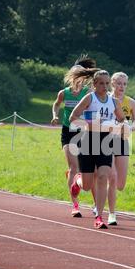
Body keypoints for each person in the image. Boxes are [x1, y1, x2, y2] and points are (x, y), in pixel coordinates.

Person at [69, 70, 126, 229]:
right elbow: (72, 118)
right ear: (94, 84)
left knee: (103, 176)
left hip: (106, 143)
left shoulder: (114, 102)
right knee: (87, 186)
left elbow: (122, 119)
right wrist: (88, 124)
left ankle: (100, 217)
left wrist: (122, 127)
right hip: (88, 141)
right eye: (101, 83)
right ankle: (77, 180)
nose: (105, 86)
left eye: (107, 83)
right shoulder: (89, 98)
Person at [51, 55, 97, 218]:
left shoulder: (88, 93)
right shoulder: (64, 93)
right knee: (74, 168)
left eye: (82, 77)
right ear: (71, 77)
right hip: (68, 132)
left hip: (85, 133)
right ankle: (75, 205)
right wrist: (55, 115)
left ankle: (96, 205)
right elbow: (56, 105)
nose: (79, 80)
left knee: (91, 170)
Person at [105, 72, 135, 226]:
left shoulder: (131, 103)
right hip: (104, 141)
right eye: (119, 83)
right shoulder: (104, 99)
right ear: (112, 84)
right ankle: (111, 213)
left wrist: (130, 127)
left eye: (124, 84)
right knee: (112, 177)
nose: (122, 87)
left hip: (122, 141)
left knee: (120, 184)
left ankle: (96, 190)